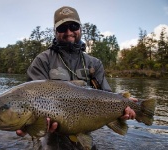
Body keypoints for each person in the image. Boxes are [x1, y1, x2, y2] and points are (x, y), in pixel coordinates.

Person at [16, 6, 137, 150]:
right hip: (49, 135)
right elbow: (29, 100)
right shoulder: (42, 61)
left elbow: (108, 96)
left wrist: (124, 109)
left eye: (73, 26)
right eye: (62, 28)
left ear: (80, 28)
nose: (68, 32)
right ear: (55, 31)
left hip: (84, 130)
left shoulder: (94, 63)